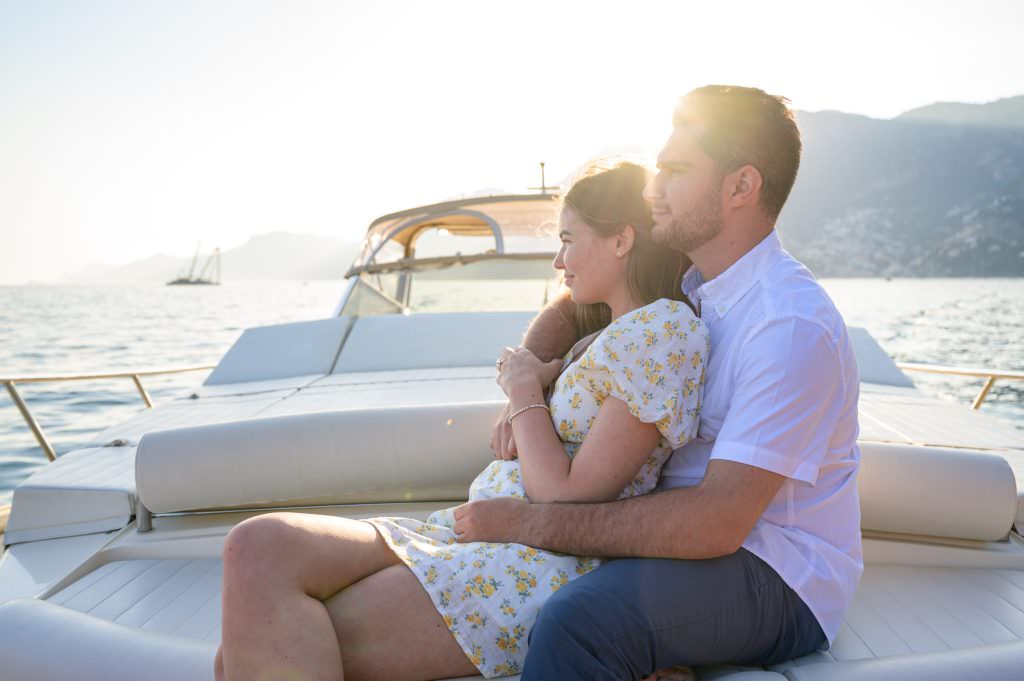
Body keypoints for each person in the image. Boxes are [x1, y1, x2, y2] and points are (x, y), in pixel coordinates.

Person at [214, 161, 710, 680]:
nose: (559, 260)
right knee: (257, 545)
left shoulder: (663, 331)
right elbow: (561, 322)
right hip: (472, 536)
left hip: (535, 563)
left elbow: (569, 498)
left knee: (240, 657)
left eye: (568, 239)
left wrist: (523, 391)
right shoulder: (607, 334)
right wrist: (536, 377)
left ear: (621, 241)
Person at [457, 85, 863, 680]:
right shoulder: (693, 277)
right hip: (685, 539)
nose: (653, 191)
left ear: (740, 187)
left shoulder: (788, 326)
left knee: (579, 620)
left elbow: (716, 523)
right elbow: (571, 306)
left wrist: (530, 524)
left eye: (673, 172)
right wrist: (532, 378)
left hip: (774, 569)